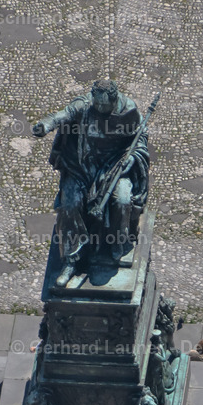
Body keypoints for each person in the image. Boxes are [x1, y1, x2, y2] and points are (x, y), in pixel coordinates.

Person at [32, 79, 150, 285]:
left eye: (105, 107)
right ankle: (71, 259)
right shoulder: (84, 105)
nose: (100, 110)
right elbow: (63, 115)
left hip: (114, 165)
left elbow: (139, 138)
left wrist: (131, 158)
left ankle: (116, 244)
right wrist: (45, 125)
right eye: (97, 105)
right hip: (82, 166)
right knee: (69, 205)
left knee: (122, 200)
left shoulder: (128, 110)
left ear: (114, 102)